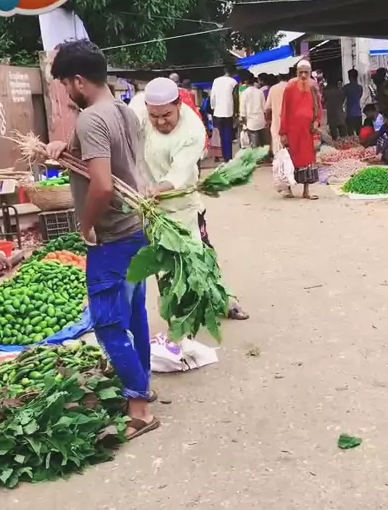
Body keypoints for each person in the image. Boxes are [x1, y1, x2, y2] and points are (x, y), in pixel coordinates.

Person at [45, 40, 157, 441]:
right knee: (135, 315)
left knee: (109, 324)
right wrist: (65, 150)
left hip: (112, 237)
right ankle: (142, 386)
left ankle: (140, 410)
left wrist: (86, 226)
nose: (65, 93)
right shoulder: (125, 111)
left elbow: (104, 185)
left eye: (64, 84)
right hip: (136, 231)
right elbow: (111, 164)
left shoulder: (90, 119)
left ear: (78, 80)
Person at [132, 78, 249, 320]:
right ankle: (178, 311)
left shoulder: (193, 130)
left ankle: (224, 298)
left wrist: (157, 189)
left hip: (183, 204)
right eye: (154, 116)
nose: (160, 121)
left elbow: (180, 171)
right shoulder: (137, 110)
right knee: (165, 264)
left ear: (178, 105)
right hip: (152, 208)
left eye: (166, 115)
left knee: (201, 255)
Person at [279, 59, 322, 200]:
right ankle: (289, 189)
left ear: (310, 73)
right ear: (297, 73)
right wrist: (283, 132)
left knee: (308, 159)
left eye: (306, 72)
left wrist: (316, 122)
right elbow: (284, 110)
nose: (303, 75)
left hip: (308, 132)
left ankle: (306, 191)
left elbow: (318, 108)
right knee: (290, 160)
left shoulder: (314, 87)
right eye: (301, 72)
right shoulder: (290, 87)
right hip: (292, 131)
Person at [210, 64, 238, 161]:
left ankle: (221, 155)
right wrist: (236, 112)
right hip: (229, 111)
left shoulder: (216, 81)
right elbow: (235, 98)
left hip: (217, 111)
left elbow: (212, 96)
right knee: (228, 134)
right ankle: (228, 156)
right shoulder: (234, 82)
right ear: (233, 73)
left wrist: (213, 108)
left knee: (220, 135)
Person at [240, 71, 268, 148]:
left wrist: (244, 122)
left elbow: (243, 111)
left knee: (254, 146)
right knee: (263, 145)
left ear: (246, 81)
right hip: (261, 121)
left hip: (251, 123)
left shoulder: (244, 93)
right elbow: (264, 108)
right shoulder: (260, 92)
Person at [265, 72, 289, 156]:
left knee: (278, 151)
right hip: (291, 124)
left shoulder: (273, 88)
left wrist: (267, 120)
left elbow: (267, 108)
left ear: (279, 77)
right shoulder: (292, 87)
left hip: (276, 124)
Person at [343, 68, 363, 136]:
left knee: (351, 135)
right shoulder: (360, 87)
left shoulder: (346, 88)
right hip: (358, 113)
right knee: (359, 134)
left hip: (350, 114)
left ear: (350, 77)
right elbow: (359, 96)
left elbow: (342, 98)